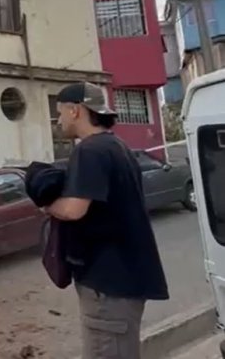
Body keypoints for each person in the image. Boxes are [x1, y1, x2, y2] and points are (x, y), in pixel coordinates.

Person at [48, 82, 169, 358]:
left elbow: (73, 210)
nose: (59, 120)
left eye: (60, 113)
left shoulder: (89, 150)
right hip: (125, 280)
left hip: (109, 287)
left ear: (75, 110)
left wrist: (46, 204)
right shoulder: (117, 146)